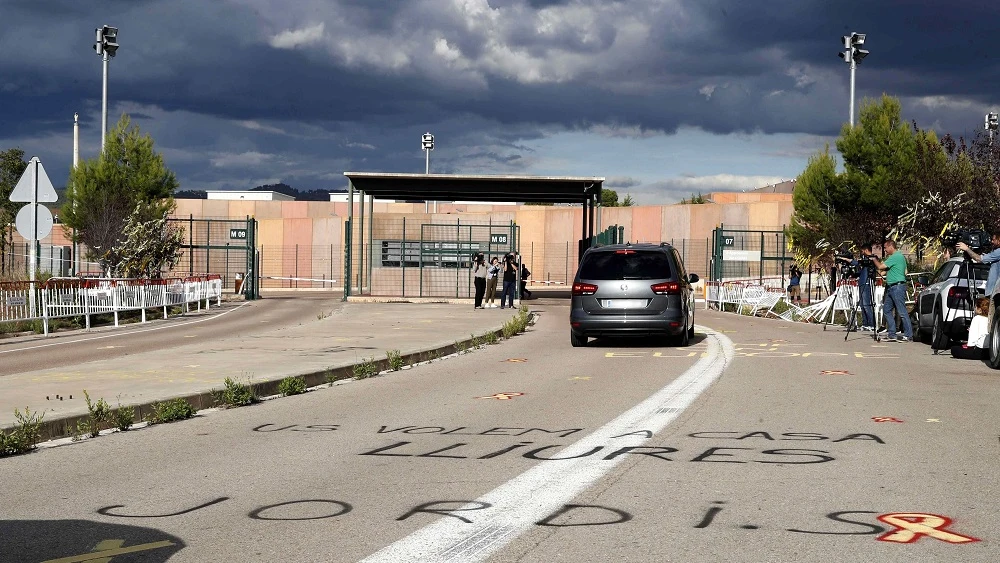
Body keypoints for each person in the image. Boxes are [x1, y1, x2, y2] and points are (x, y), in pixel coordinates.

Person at [871, 239, 913, 342]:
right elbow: (905, 271)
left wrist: (873, 259)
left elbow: (881, 266)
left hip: (897, 287)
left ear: (891, 246)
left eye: (885, 248)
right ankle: (892, 333)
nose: (885, 250)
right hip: (891, 287)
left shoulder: (895, 257)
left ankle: (908, 334)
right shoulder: (900, 258)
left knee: (901, 311)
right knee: (887, 309)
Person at [957, 233, 1000, 330]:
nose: (991, 242)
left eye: (994, 239)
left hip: (994, 292)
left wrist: (967, 249)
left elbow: (979, 259)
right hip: (994, 291)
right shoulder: (996, 253)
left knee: (991, 320)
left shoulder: (998, 252)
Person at [835, 244, 876, 331]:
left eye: (862, 251)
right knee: (862, 304)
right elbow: (860, 268)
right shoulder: (865, 260)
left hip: (867, 282)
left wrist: (846, 259)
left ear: (865, 250)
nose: (862, 253)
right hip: (861, 282)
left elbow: (857, 263)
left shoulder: (872, 258)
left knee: (866, 304)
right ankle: (865, 324)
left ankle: (871, 324)